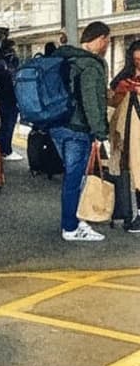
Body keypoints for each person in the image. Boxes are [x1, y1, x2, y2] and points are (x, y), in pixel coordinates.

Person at [51, 21, 112, 242]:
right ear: (100, 39)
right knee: (75, 178)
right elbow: (91, 102)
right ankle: (71, 227)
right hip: (77, 130)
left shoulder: (64, 57)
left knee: (72, 176)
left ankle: (75, 219)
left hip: (57, 125)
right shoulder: (90, 65)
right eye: (107, 40)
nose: (106, 45)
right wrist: (100, 132)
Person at [108, 40, 140, 233]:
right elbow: (112, 102)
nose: (139, 63)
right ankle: (130, 213)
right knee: (131, 172)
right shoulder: (124, 77)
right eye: (136, 59)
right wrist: (121, 92)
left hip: (136, 132)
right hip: (125, 132)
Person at [0, 40, 24, 161]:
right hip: (10, 98)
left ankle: (0, 149)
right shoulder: (12, 61)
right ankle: (6, 150)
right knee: (8, 124)